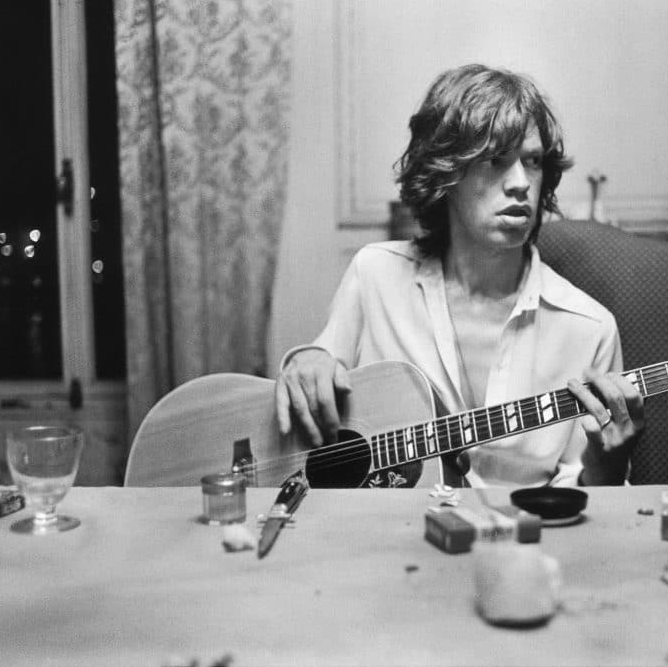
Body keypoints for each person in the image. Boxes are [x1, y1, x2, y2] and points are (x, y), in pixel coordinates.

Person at [274, 63, 644, 487]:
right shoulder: (374, 274)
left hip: (523, 544)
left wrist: (608, 467)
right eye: (495, 160)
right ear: (445, 172)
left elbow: (588, 507)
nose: (522, 183)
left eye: (534, 161)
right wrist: (307, 362)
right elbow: (318, 379)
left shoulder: (589, 330)